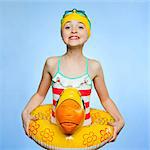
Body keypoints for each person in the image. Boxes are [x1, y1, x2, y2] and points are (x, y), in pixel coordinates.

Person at [22, 8, 125, 143]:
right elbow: (40, 95)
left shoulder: (94, 67)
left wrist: (120, 119)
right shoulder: (52, 63)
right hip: (55, 130)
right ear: (61, 33)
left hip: (84, 131)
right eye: (68, 26)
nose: (74, 30)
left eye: (80, 27)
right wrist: (25, 113)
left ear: (88, 34)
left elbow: (105, 99)